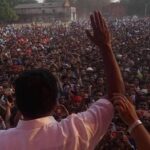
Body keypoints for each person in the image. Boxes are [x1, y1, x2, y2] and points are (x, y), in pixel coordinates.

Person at [0, 11, 124, 150]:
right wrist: (105, 46)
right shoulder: (75, 132)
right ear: (55, 102)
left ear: (18, 104)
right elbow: (116, 95)